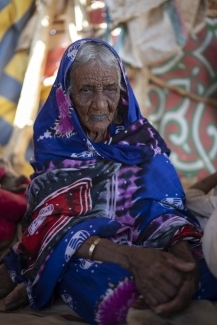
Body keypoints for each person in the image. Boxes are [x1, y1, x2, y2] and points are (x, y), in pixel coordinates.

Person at [1, 39, 217, 325]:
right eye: (87, 90)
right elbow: (47, 227)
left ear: (122, 90)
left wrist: (183, 262)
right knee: (96, 281)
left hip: (154, 243)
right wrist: (130, 258)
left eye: (110, 89)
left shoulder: (140, 142)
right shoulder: (55, 149)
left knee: (203, 266)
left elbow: (168, 212)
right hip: (91, 252)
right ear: (67, 95)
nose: (101, 104)